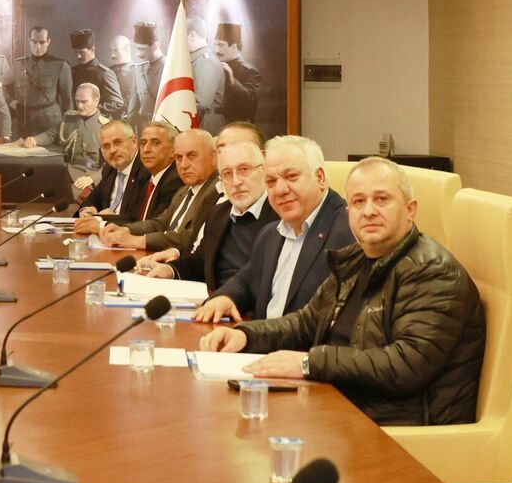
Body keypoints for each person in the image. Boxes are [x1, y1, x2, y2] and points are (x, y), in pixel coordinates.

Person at [201, 157, 486, 426]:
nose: (369, 211)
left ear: (410, 209)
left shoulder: (432, 271)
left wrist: (309, 363)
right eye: (359, 201)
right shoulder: (355, 260)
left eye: (382, 199)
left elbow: (406, 365)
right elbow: (305, 322)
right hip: (340, 405)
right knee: (223, 417)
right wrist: (246, 335)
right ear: (349, 212)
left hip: (396, 429)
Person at [193, 135, 354, 323]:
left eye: (291, 177)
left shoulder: (349, 230)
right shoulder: (271, 234)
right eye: (271, 181)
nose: (280, 190)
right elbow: (246, 280)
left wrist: (252, 335)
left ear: (320, 178)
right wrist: (225, 298)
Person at [135, 141, 277, 290]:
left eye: (244, 170)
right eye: (227, 174)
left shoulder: (280, 216)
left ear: (264, 169)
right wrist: (170, 270)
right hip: (213, 298)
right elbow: (200, 261)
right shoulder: (218, 213)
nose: (236, 182)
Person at [101, 128, 219, 252]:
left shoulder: (217, 191)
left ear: (213, 157)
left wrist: (135, 240)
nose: (183, 165)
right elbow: (159, 223)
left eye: (192, 156)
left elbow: (188, 238)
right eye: (179, 157)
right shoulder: (184, 191)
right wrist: (126, 229)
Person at [23, 83, 107, 195]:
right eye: (77, 101)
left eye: (84, 101)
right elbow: (51, 134)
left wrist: (92, 178)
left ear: (96, 101)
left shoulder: (106, 127)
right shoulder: (70, 119)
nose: (79, 106)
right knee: (37, 186)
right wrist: (34, 140)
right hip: (67, 169)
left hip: (89, 175)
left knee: (72, 196)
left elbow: (112, 165)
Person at [72, 120, 149, 235]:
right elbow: (93, 199)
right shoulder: (109, 169)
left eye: (118, 142)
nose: (112, 150)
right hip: (102, 236)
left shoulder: (146, 171)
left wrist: (103, 219)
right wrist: (88, 210)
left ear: (134, 142)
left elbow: (137, 217)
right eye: (106, 146)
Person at [12, 26, 73, 138]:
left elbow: (68, 102)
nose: (37, 46)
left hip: (49, 124)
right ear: (29, 41)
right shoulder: (19, 64)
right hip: (24, 123)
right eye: (34, 42)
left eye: (42, 42)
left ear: (48, 42)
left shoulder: (60, 66)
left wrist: (68, 130)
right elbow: (1, 84)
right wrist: (10, 100)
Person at [69, 29, 124, 119]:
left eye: (82, 52)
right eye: (76, 52)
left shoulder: (104, 73)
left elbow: (117, 102)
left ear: (92, 49)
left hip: (97, 122)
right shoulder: (73, 71)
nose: (78, 56)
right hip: (76, 121)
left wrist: (92, 110)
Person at [214, 22, 262, 124]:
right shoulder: (214, 67)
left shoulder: (250, 72)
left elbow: (250, 103)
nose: (216, 50)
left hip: (237, 126)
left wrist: (233, 81)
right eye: (215, 45)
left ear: (234, 47)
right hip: (214, 124)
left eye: (221, 45)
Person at [187, 16, 225, 133]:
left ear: (192, 35)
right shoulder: (198, 60)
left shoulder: (206, 62)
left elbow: (201, 103)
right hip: (201, 123)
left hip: (204, 125)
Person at [129, 21, 165, 132]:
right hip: (142, 129)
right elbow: (134, 102)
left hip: (162, 128)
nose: (137, 54)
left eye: (141, 49)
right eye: (136, 48)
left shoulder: (168, 68)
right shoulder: (139, 67)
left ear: (155, 45)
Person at [109, 34, 143, 129]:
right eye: (111, 51)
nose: (112, 55)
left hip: (134, 124)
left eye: (116, 50)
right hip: (111, 123)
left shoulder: (139, 72)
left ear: (128, 49)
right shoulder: (107, 72)